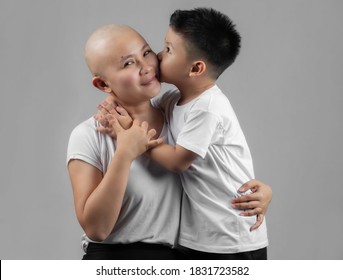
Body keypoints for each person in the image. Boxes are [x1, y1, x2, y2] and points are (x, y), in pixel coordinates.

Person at [67, 23, 271, 260]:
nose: (146, 67)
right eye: (128, 63)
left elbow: (217, 168)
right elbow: (97, 229)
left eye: (146, 53)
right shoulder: (89, 135)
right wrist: (124, 151)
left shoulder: (180, 114)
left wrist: (258, 192)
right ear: (103, 84)